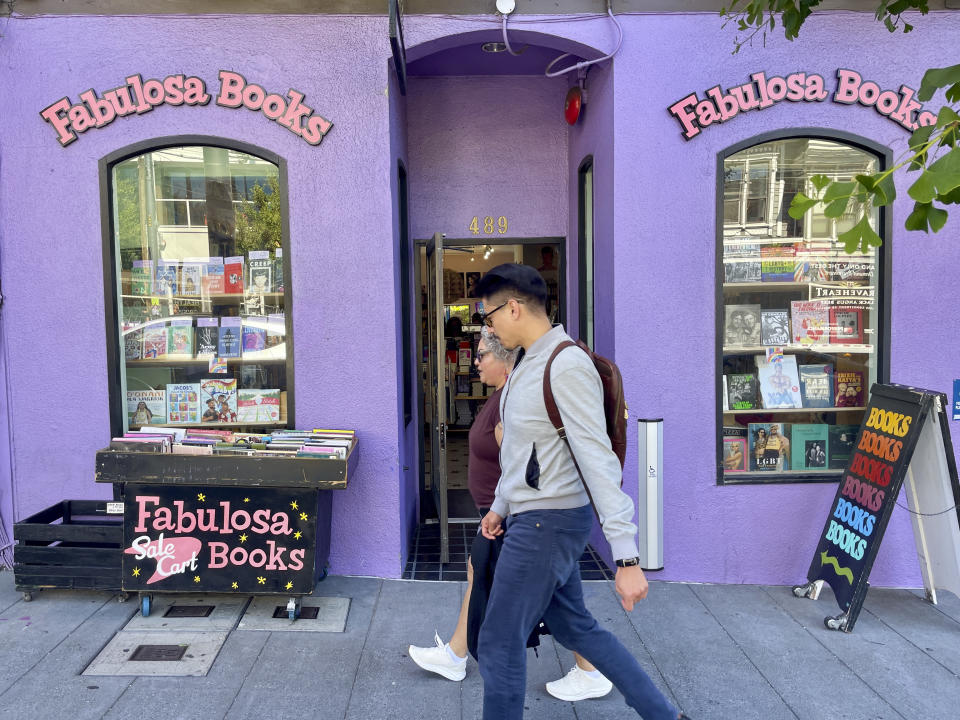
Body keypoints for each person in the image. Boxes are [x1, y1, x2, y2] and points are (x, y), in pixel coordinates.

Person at [474, 264, 688, 720]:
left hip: (546, 524)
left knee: (498, 640)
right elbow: (521, 450)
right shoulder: (530, 360)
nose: (487, 327)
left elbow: (597, 460)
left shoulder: (565, 364)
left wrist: (627, 558)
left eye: (488, 317)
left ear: (513, 307)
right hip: (534, 517)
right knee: (578, 628)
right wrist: (500, 507)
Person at [408, 328, 612, 700]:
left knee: (553, 595)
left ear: (505, 359)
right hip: (504, 511)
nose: (475, 362)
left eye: (482, 354)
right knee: (488, 572)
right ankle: (455, 654)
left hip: (515, 513)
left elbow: (528, 459)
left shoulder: (513, 400)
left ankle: (592, 669)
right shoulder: (504, 395)